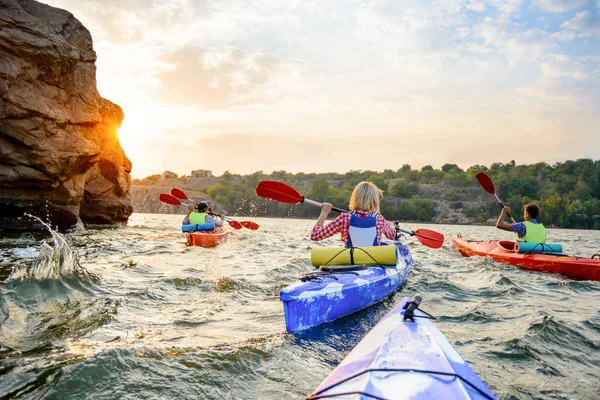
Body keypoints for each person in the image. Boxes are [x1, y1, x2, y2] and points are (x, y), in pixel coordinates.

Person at [310, 181, 396, 248]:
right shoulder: (379, 219)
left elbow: (315, 235)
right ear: (374, 201)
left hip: (351, 262)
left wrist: (324, 212)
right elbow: (392, 235)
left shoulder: (344, 218)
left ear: (355, 198)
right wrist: (391, 226)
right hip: (372, 262)